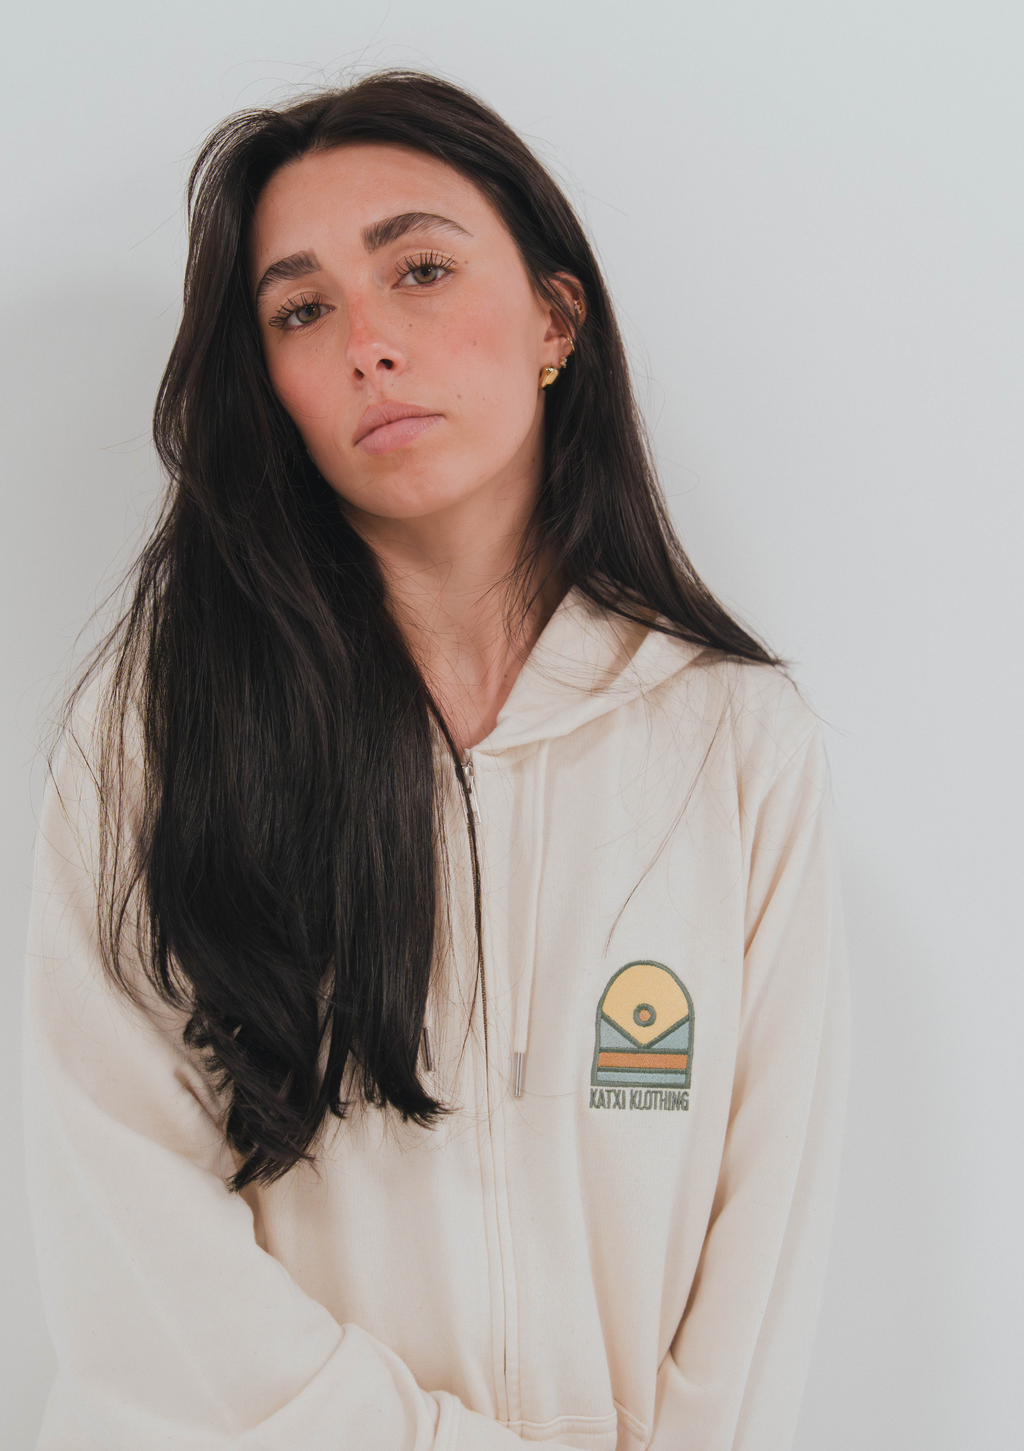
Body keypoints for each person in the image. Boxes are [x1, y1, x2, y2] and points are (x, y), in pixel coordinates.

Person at [23, 71, 849, 1451]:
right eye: (301, 310)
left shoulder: (734, 742)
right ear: (270, 387)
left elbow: (760, 1265)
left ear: (555, 318)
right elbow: (131, 1260)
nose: (368, 344)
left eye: (418, 270)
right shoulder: (159, 734)